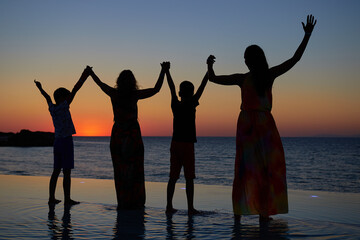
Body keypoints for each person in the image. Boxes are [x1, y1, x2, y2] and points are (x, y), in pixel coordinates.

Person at [207, 15, 317, 223]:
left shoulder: (268, 75)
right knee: (245, 169)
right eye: (244, 58)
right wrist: (209, 66)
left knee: (265, 168)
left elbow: (295, 59)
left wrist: (307, 36)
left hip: (263, 127)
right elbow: (214, 79)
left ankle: (263, 213)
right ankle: (241, 213)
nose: (245, 60)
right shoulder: (243, 78)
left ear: (255, 59)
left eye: (247, 57)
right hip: (250, 127)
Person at [88, 63, 166, 210]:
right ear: (133, 82)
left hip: (118, 134)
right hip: (132, 135)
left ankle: (123, 202)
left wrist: (91, 73)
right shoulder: (134, 95)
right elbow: (156, 89)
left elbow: (100, 84)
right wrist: (163, 71)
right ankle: (136, 202)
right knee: (135, 169)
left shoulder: (114, 93)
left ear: (119, 81)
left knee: (120, 170)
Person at [34, 66, 91, 205]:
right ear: (61, 98)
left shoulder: (52, 108)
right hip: (66, 142)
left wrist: (40, 88)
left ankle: (51, 198)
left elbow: (47, 97)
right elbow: (75, 89)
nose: (68, 97)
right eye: (66, 95)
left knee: (56, 171)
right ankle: (67, 199)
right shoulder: (64, 105)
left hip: (57, 142)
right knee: (66, 173)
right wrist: (85, 75)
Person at [164, 61, 208, 215]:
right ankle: (190, 208)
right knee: (189, 178)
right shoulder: (191, 104)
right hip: (187, 145)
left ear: (180, 93)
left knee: (173, 177)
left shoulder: (176, 104)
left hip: (176, 144)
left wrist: (166, 71)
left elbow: (171, 87)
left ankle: (169, 206)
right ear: (190, 94)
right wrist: (209, 69)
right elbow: (203, 86)